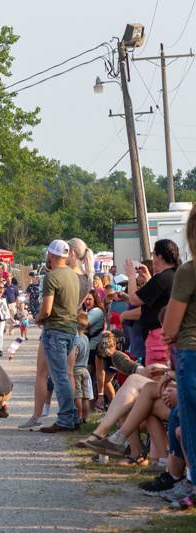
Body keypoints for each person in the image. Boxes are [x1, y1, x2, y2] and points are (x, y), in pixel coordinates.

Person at [162, 208, 196, 508]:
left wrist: (169, 334)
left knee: (192, 422)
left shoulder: (190, 271)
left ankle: (195, 485)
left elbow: (170, 326)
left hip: (192, 352)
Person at [36, 239, 80, 433]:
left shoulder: (51, 277)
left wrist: (38, 318)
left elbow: (46, 310)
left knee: (59, 376)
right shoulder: (73, 275)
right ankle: (73, 415)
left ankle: (65, 419)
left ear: (51, 255)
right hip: (71, 329)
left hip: (55, 329)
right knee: (65, 375)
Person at [120, 239, 179, 364]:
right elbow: (157, 300)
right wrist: (148, 279)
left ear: (160, 256)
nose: (153, 260)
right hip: (171, 334)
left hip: (157, 336)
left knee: (153, 378)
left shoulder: (162, 278)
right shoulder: (175, 275)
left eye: (154, 255)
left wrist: (131, 276)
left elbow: (134, 300)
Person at [71, 312, 91, 425]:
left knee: (77, 395)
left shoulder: (76, 340)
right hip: (85, 369)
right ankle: (86, 417)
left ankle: (78, 416)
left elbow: (75, 355)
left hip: (76, 369)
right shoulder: (86, 339)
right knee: (86, 395)